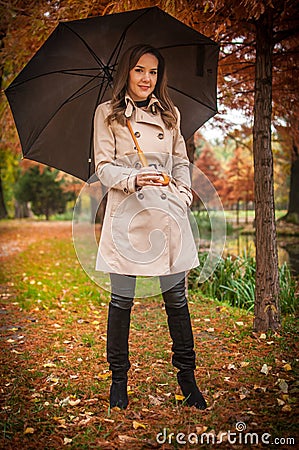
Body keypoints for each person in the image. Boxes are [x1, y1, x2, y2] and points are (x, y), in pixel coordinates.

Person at [93, 44, 207, 410]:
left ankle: (188, 382)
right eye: (140, 70)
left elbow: (180, 161)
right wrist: (136, 177)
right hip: (127, 217)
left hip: (168, 217)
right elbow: (103, 167)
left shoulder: (171, 114)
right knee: (121, 301)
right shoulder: (107, 115)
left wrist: (184, 193)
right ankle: (119, 383)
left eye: (153, 72)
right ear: (127, 72)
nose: (147, 79)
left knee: (176, 299)